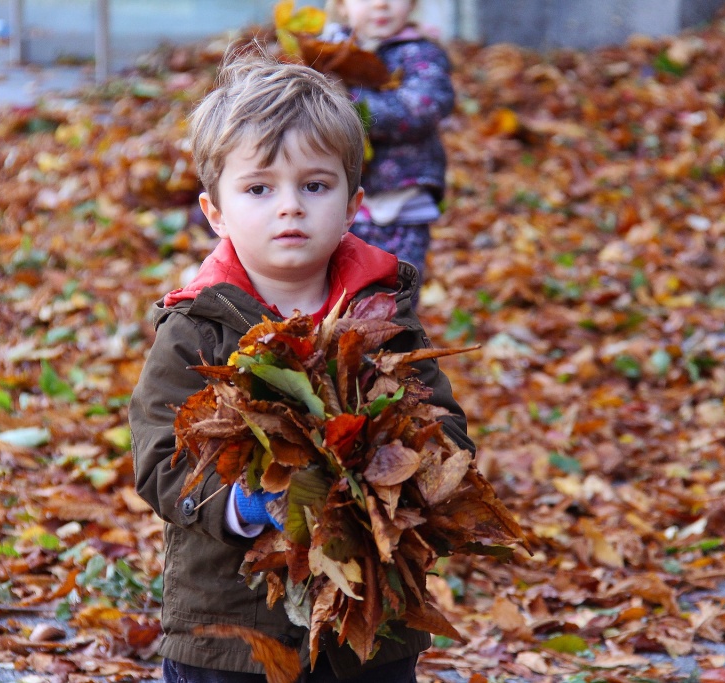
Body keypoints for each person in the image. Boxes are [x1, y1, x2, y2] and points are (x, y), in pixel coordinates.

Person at [129, 53, 474, 683]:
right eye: (259, 188)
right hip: (233, 626)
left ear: (352, 205)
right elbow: (160, 460)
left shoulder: (381, 318)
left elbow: (445, 426)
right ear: (215, 212)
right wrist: (239, 502)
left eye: (314, 186)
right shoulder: (196, 329)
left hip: (369, 620)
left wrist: (405, 470)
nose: (289, 207)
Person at [323, 0, 454, 294]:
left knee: (396, 289)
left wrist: (351, 105)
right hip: (337, 201)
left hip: (401, 201)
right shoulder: (326, 51)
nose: (381, 4)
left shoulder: (420, 52)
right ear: (342, 5)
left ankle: (396, 337)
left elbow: (423, 106)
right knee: (337, 289)